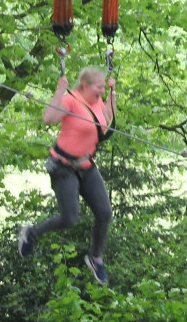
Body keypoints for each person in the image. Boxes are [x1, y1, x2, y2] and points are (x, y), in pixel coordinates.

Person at [19, 67, 117, 285]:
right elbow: (48, 118)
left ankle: (96, 258)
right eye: (98, 87)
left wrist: (112, 93)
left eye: (103, 86)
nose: (101, 90)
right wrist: (60, 90)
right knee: (69, 218)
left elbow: (107, 118)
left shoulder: (98, 100)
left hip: (87, 166)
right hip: (63, 168)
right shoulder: (71, 100)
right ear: (84, 86)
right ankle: (32, 233)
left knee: (104, 213)